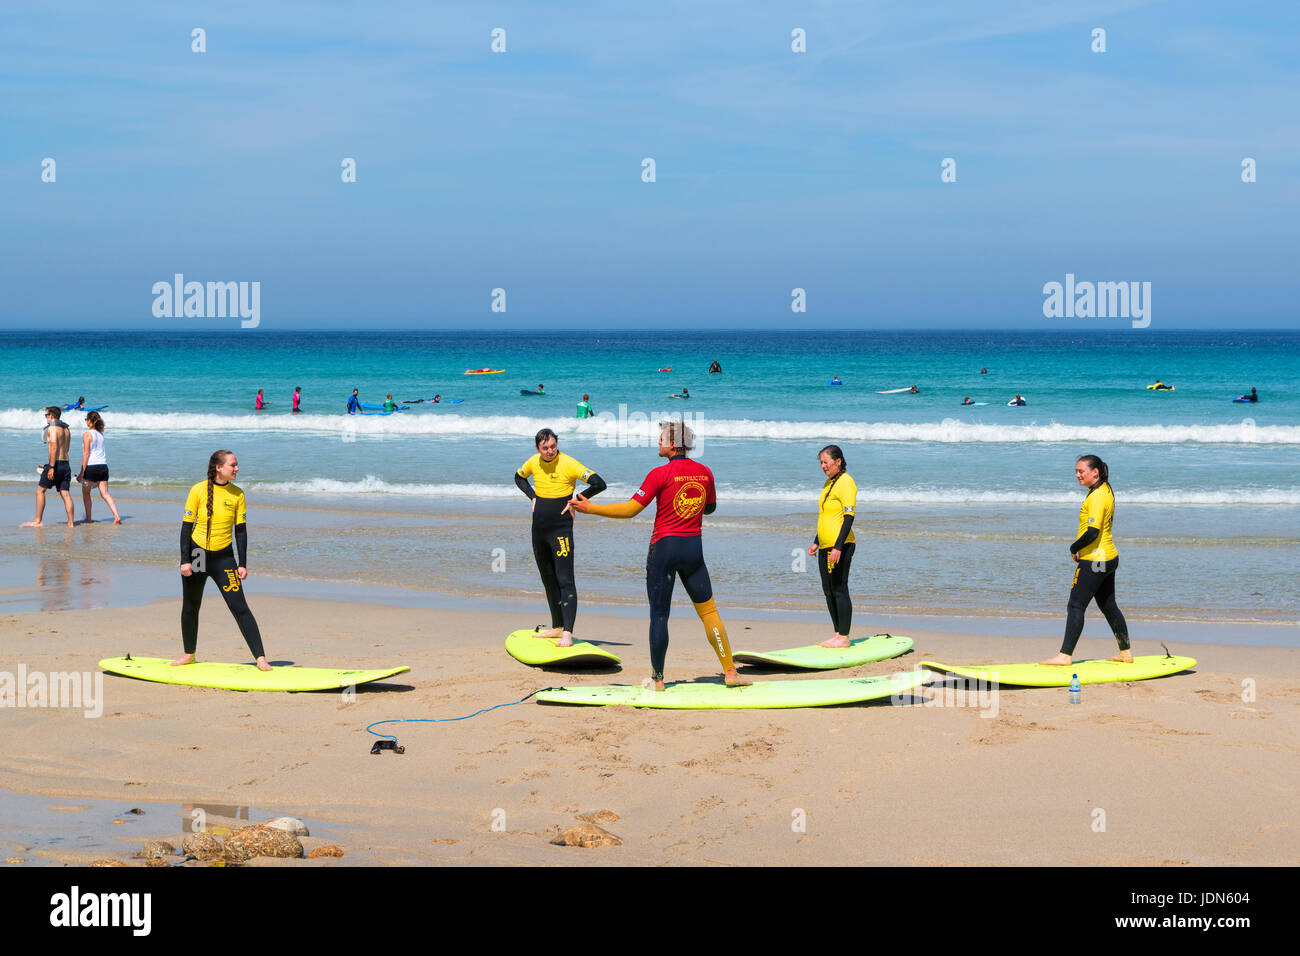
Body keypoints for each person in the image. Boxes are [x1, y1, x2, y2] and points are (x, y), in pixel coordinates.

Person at [570, 420, 750, 690]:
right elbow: (709, 507)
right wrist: (688, 508)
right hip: (693, 550)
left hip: (664, 549)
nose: (658, 442)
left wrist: (591, 509)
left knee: (659, 615)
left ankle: (658, 679)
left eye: (662, 439)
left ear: (674, 444)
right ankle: (730, 673)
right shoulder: (705, 472)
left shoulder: (659, 474)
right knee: (709, 612)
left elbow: (631, 509)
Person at [173, 450, 270, 671]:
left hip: (224, 558)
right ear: (219, 467)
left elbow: (241, 532)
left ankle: (260, 658)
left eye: (236, 465)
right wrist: (184, 560)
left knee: (239, 606)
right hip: (197, 555)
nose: (236, 469)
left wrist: (242, 563)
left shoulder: (238, 494)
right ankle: (189, 654)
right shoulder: (197, 490)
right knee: (191, 605)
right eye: (233, 465)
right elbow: (186, 527)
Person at [515, 429, 606, 647]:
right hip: (538, 530)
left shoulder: (569, 463)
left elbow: (599, 483)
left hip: (560, 530)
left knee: (565, 580)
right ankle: (556, 627)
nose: (550, 451)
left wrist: (576, 500)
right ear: (538, 448)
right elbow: (518, 477)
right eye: (545, 448)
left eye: (553, 446)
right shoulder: (533, 462)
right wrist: (533, 496)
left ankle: (567, 632)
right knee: (548, 578)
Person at [1040, 455, 1130, 666]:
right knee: (1109, 606)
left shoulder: (1098, 496)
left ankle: (1064, 656)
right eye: (1076, 471)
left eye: (1081, 471)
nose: (1077, 475)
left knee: (1076, 605)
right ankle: (1125, 652)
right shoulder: (1106, 489)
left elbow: (1093, 532)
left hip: (1095, 560)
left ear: (1095, 472)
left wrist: (1074, 548)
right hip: (1108, 557)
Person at [808, 445, 857, 648]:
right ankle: (837, 633)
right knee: (828, 590)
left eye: (826, 462)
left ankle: (844, 637)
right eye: (820, 462)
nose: (823, 466)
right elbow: (827, 516)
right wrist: (816, 541)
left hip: (841, 545)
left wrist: (838, 547)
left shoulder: (846, 482)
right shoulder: (829, 483)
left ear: (838, 461)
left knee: (839, 589)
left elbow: (848, 517)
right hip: (826, 545)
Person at [23, 407, 75, 527]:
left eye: (46, 415)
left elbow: (53, 447)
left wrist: (51, 467)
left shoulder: (52, 428)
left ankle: (38, 520)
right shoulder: (66, 429)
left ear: (51, 415)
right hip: (66, 463)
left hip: (55, 464)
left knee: (40, 490)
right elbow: (66, 448)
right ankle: (71, 523)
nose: (46, 417)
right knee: (65, 494)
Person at [76, 411, 121, 524]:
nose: (86, 421)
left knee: (86, 493)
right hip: (103, 467)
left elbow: (86, 454)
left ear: (90, 421)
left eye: (86, 419)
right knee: (105, 493)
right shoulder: (101, 434)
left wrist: (81, 473)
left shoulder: (87, 434)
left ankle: (89, 519)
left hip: (91, 467)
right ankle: (116, 516)